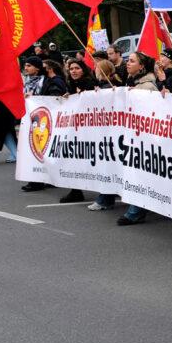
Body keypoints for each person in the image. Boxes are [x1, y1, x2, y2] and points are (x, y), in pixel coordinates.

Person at [117, 52, 158, 225]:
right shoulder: (132, 83)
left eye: (132, 61)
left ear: (141, 66)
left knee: (140, 173)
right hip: (134, 137)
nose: (127, 63)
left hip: (143, 139)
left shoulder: (147, 87)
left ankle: (135, 211)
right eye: (127, 61)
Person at [21, 60, 66, 192]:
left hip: (46, 120)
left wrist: (34, 98)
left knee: (42, 149)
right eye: (25, 66)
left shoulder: (51, 81)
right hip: (37, 119)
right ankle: (41, 179)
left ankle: (38, 181)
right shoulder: (33, 81)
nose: (26, 68)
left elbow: (52, 98)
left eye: (29, 65)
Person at [61, 59, 97, 203]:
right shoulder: (70, 85)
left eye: (77, 68)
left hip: (91, 130)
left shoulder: (90, 83)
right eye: (71, 69)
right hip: (75, 130)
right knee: (73, 159)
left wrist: (83, 95)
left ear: (83, 69)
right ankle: (76, 191)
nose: (74, 71)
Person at [87, 60, 121, 211]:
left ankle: (105, 199)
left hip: (109, 134)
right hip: (107, 133)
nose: (94, 70)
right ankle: (106, 197)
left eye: (97, 68)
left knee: (107, 166)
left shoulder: (109, 87)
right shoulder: (104, 86)